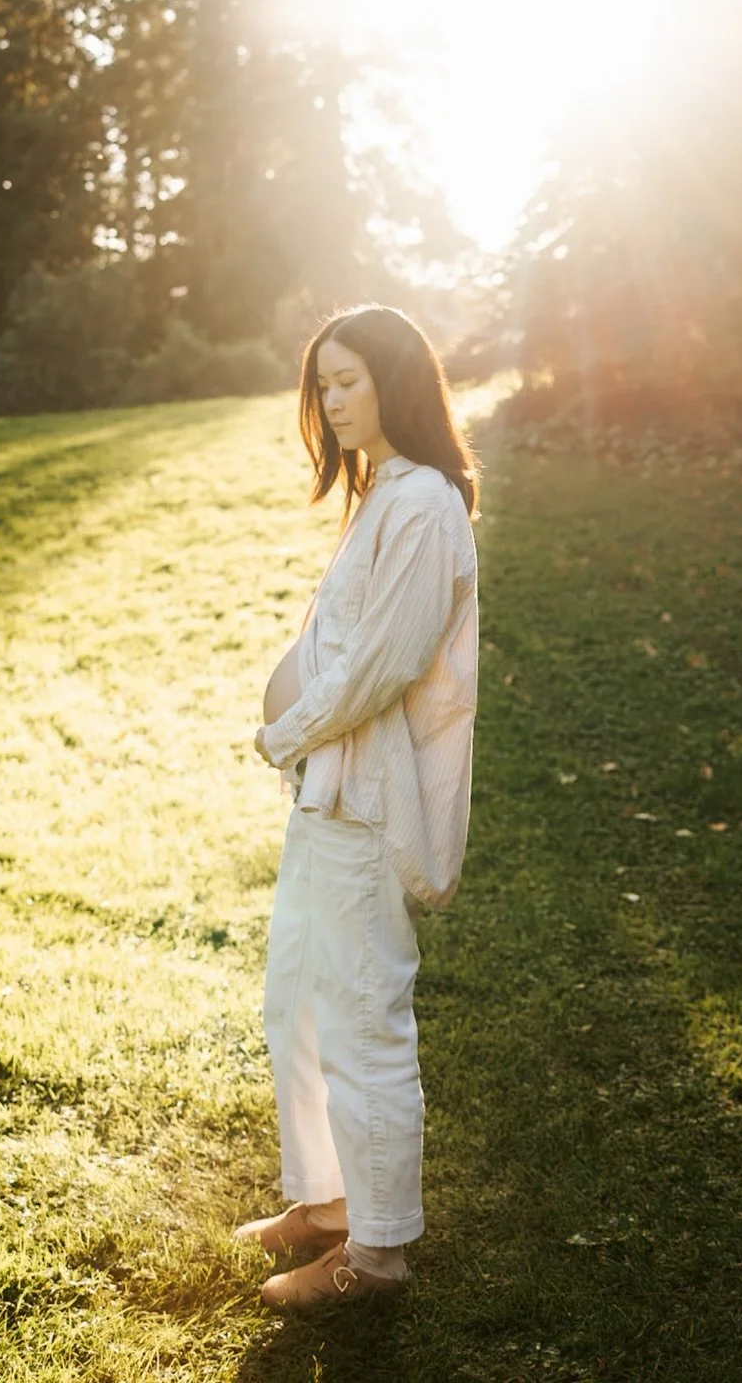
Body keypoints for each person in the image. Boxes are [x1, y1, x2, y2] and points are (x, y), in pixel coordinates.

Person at [237, 303, 481, 1310]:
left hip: (364, 798)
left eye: (347, 380)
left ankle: (377, 1257)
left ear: (396, 382)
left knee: (362, 1019)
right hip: (324, 793)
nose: (330, 401)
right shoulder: (383, 492)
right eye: (321, 384)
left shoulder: (425, 505)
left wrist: (283, 733)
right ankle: (330, 1205)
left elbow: (382, 665)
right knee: (298, 1001)